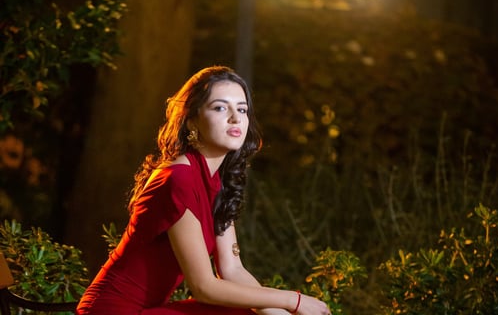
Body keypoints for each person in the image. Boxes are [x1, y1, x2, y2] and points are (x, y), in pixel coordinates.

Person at [76, 66, 331, 315]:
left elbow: (232, 270)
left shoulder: (217, 182)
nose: (235, 118)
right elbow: (203, 287)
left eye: (242, 109)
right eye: (220, 107)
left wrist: (284, 312)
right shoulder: (178, 178)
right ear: (191, 120)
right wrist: (293, 300)